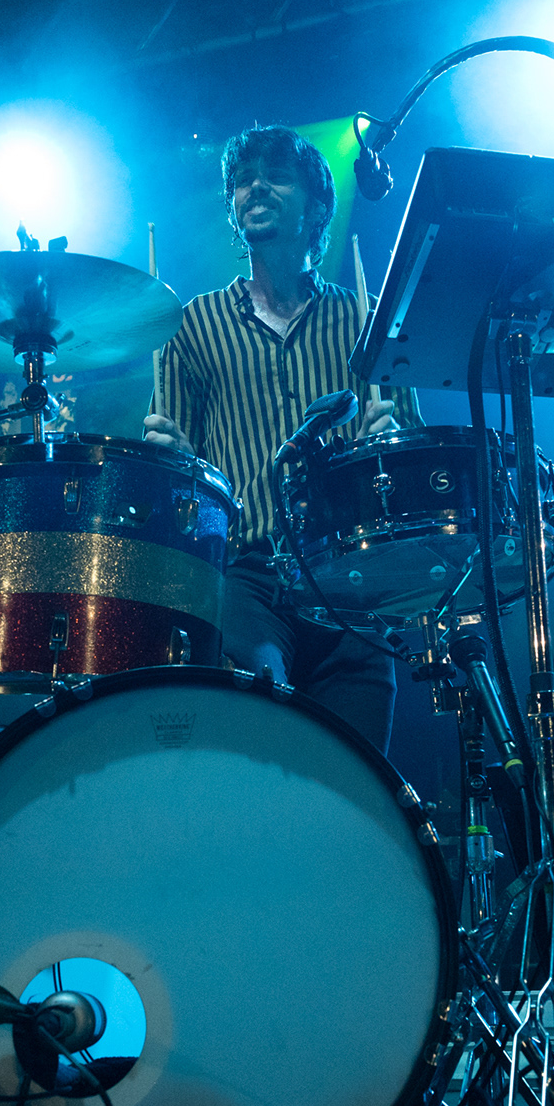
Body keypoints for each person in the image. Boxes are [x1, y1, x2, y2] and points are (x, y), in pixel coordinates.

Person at [142, 124, 419, 752]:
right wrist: (172, 462)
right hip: (247, 572)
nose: (256, 188)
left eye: (276, 176)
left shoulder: (366, 317)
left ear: (318, 206)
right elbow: (176, 483)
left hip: (351, 576)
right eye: (244, 180)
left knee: (355, 773)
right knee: (264, 726)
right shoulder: (193, 324)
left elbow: (413, 457)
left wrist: (394, 439)